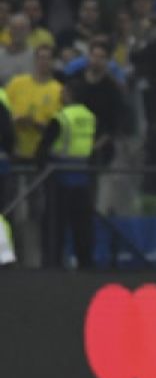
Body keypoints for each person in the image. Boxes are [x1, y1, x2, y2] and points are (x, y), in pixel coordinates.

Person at [34, 83, 94, 269]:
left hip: (59, 178)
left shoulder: (61, 118)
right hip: (82, 177)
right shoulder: (89, 117)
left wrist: (40, 165)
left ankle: (52, 266)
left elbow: (42, 149)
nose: (60, 94)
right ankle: (85, 266)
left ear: (70, 94)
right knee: (81, 226)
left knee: (54, 226)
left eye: (64, 91)